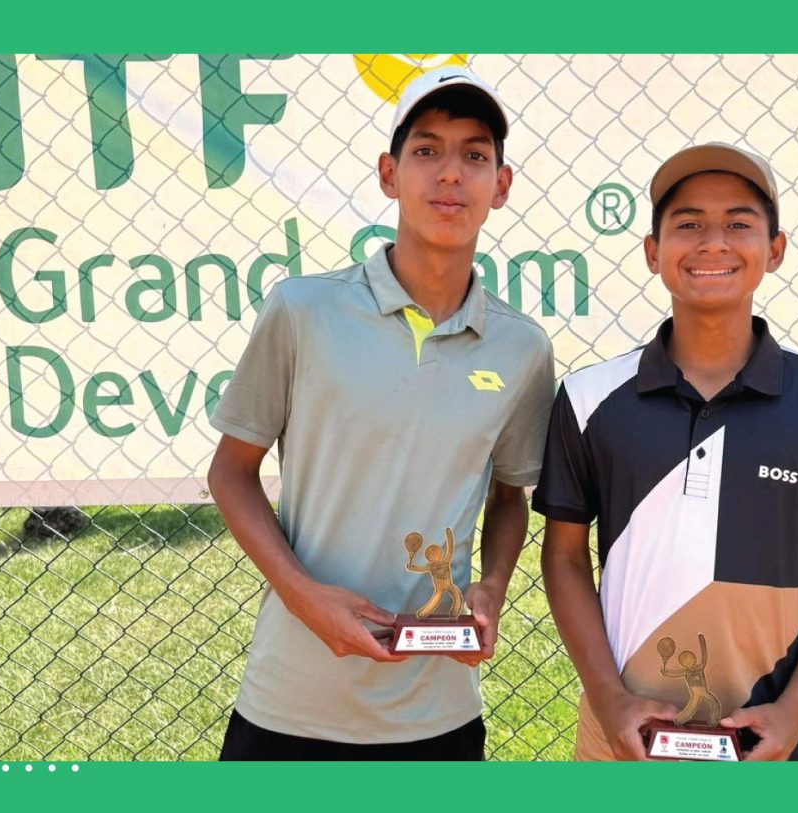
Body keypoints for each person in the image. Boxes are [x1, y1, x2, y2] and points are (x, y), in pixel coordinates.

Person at [207, 66, 555, 761]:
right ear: (389, 174)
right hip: (291, 702)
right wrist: (304, 597)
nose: (450, 173)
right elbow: (230, 473)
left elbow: (509, 496)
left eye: (474, 154)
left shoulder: (522, 347)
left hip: (438, 714)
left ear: (501, 185)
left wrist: (491, 587)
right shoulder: (303, 309)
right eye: (426, 150)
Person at [533, 142, 798, 761]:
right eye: (688, 224)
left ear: (774, 250)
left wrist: (792, 711)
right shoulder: (589, 397)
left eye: (738, 224)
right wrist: (608, 698)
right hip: (622, 740)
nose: (712, 243)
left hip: (781, 742)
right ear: (652, 252)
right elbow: (564, 558)